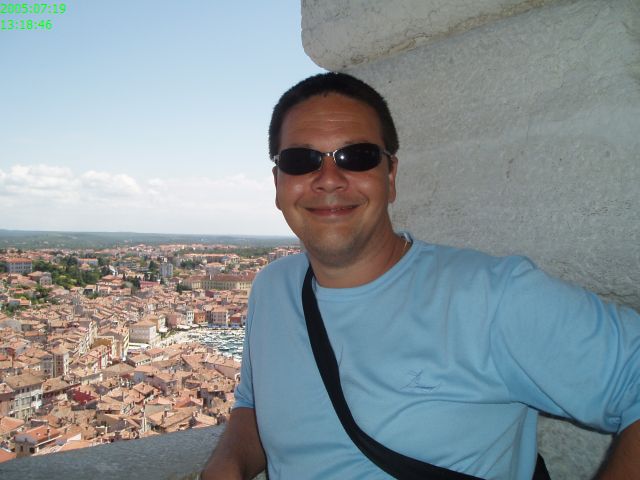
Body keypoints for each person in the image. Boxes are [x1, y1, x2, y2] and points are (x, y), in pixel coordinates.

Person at [202, 73, 640, 479]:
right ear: (278, 183)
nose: (329, 179)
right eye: (301, 160)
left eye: (357, 156)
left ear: (390, 176)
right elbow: (254, 405)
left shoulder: (489, 297)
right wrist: (227, 464)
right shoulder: (272, 289)